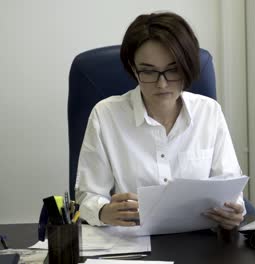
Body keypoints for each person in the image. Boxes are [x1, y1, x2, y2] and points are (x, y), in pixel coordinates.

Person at [75, 11, 245, 231]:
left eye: (172, 70)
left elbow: (230, 187)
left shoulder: (209, 112)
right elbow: (88, 195)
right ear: (133, 69)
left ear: (187, 66)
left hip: (200, 240)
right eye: (148, 71)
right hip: (133, 242)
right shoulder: (106, 115)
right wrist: (102, 211)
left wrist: (234, 211)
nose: (162, 84)